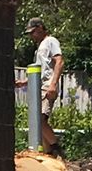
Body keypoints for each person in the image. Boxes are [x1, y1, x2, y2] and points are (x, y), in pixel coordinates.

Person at [26, 17, 65, 153]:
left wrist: (53, 84)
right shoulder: (40, 46)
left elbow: (59, 62)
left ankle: (57, 150)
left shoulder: (50, 41)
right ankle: (48, 153)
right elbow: (43, 70)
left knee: (40, 119)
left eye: (33, 32)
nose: (32, 36)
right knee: (37, 121)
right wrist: (25, 82)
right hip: (40, 86)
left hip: (48, 86)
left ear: (41, 28)